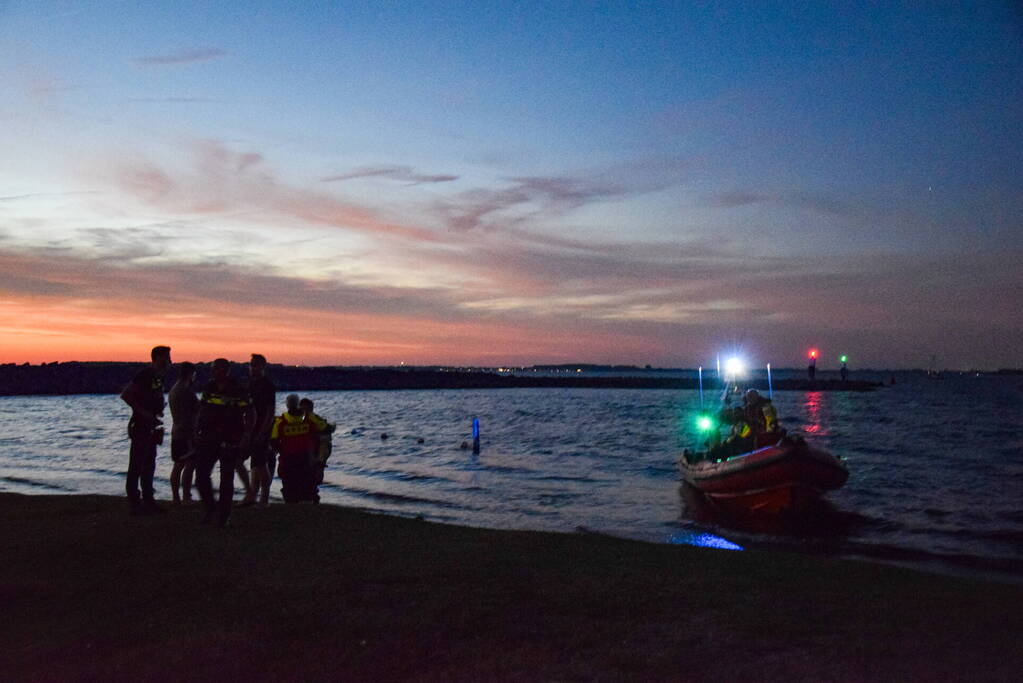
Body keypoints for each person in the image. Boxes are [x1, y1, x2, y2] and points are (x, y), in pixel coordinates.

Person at [193, 358, 255, 526]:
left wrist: (247, 436)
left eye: (219, 369)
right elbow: (202, 409)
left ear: (227, 370)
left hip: (231, 437)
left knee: (226, 478)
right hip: (208, 437)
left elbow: (250, 413)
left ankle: (224, 515)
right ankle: (210, 508)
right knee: (201, 476)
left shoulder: (238, 389)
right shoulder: (209, 387)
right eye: (214, 369)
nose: (216, 372)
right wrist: (196, 429)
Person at [120, 345, 171, 516]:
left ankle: (148, 500)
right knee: (137, 464)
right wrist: (144, 412)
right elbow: (126, 394)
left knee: (149, 463)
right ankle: (135, 502)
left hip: (152, 424)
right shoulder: (145, 374)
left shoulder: (159, 377)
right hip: (141, 425)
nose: (169, 361)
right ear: (156, 358)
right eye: (166, 357)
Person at [271, 394, 320, 503]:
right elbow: (324, 428)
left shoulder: (280, 421)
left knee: (289, 484)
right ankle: (307, 502)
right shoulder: (310, 418)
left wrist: (278, 449)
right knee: (307, 483)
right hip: (306, 457)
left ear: (287, 405)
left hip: (288, 458)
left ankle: (292, 504)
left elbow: (273, 439)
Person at [245, 354, 276, 507]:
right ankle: (252, 495)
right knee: (255, 463)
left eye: (255, 365)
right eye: (251, 365)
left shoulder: (267, 385)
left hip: (262, 429)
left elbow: (270, 411)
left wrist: (263, 432)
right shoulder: (251, 384)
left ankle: (264, 498)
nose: (252, 368)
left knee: (261, 463)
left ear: (263, 367)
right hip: (251, 428)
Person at [168, 361, 199, 505]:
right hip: (187, 432)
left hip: (177, 431)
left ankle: (175, 497)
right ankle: (186, 496)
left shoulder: (174, 389)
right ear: (190, 374)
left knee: (178, 464)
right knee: (189, 464)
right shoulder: (186, 391)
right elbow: (197, 409)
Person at [299, 397, 335, 485]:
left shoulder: (316, 419)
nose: (304, 411)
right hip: (304, 451)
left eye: (305, 409)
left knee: (316, 471)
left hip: (316, 451)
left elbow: (328, 432)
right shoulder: (297, 420)